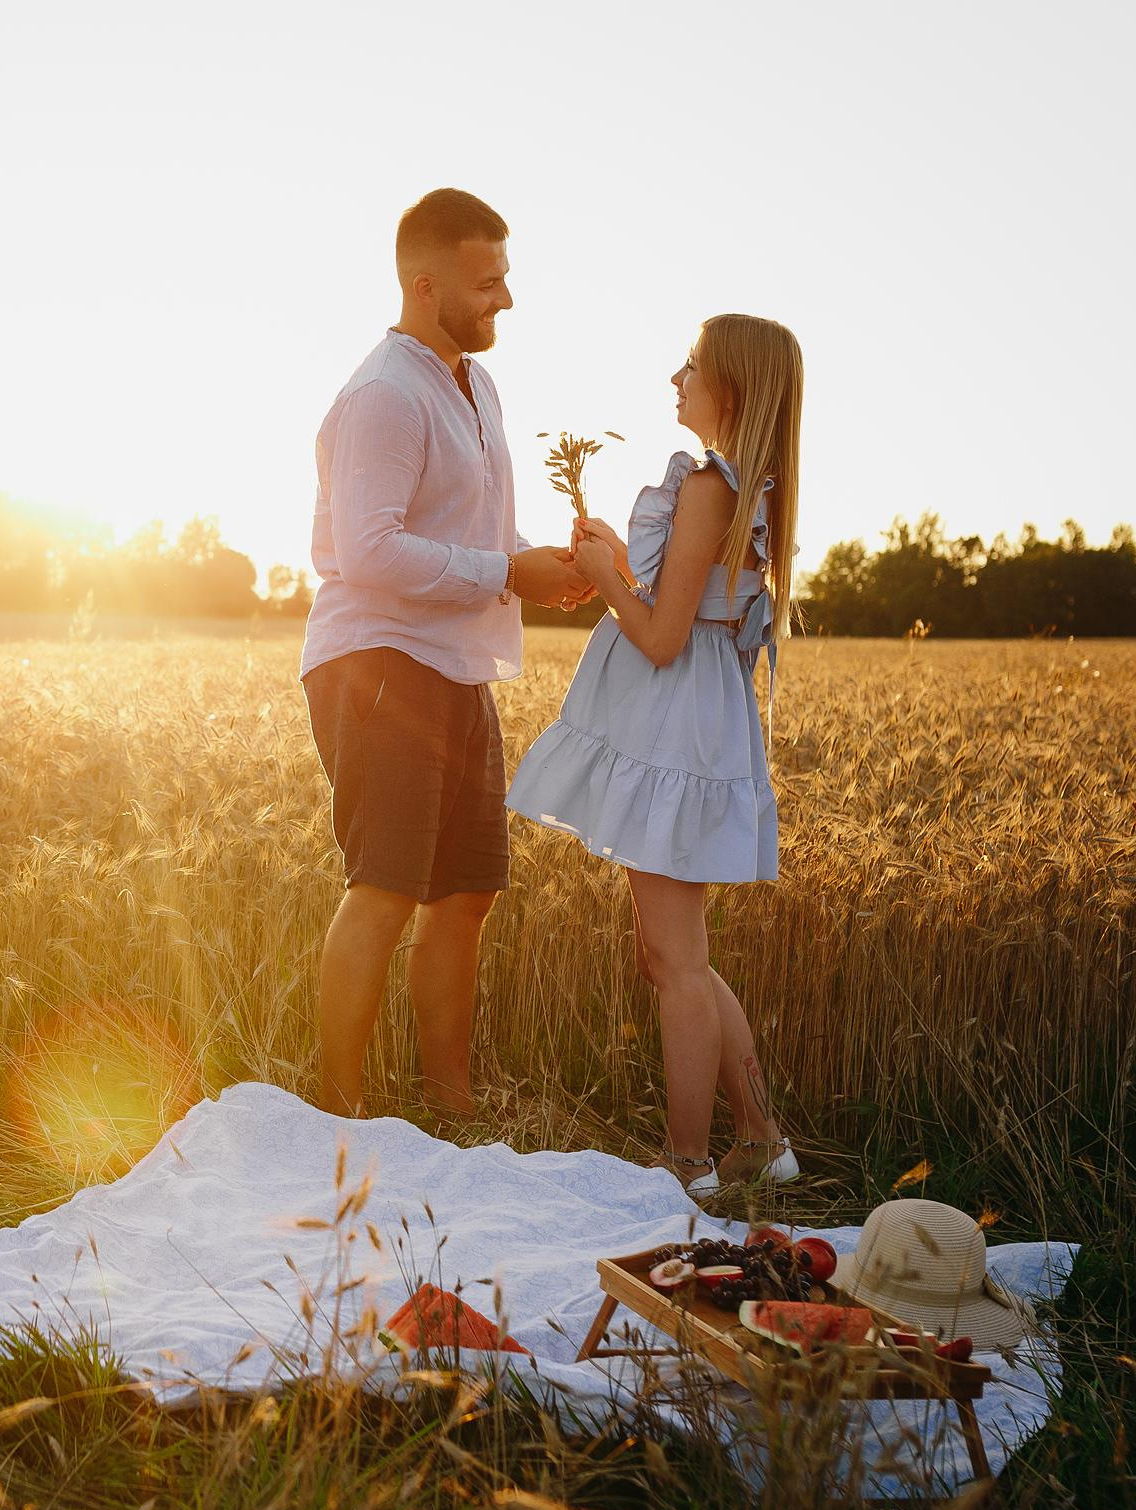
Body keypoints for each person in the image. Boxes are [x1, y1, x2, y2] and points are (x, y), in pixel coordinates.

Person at [301, 188, 595, 1120]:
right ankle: (336, 1115)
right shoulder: (384, 395)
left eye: (505, 278)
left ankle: (450, 1112)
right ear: (425, 287)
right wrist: (508, 569)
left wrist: (541, 566)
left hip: (458, 665)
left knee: (466, 892)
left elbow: (470, 536)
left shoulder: (476, 383)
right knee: (385, 888)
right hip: (381, 661)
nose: (504, 298)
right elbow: (369, 551)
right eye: (487, 282)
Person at [504, 314, 805, 1199]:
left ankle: (687, 1165)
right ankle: (761, 1139)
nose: (675, 378)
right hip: (688, 716)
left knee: (674, 958)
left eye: (692, 366)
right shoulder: (735, 482)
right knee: (673, 951)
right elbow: (686, 607)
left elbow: (663, 637)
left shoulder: (712, 485)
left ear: (731, 390)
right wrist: (613, 563)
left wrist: (602, 579)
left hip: (672, 717)